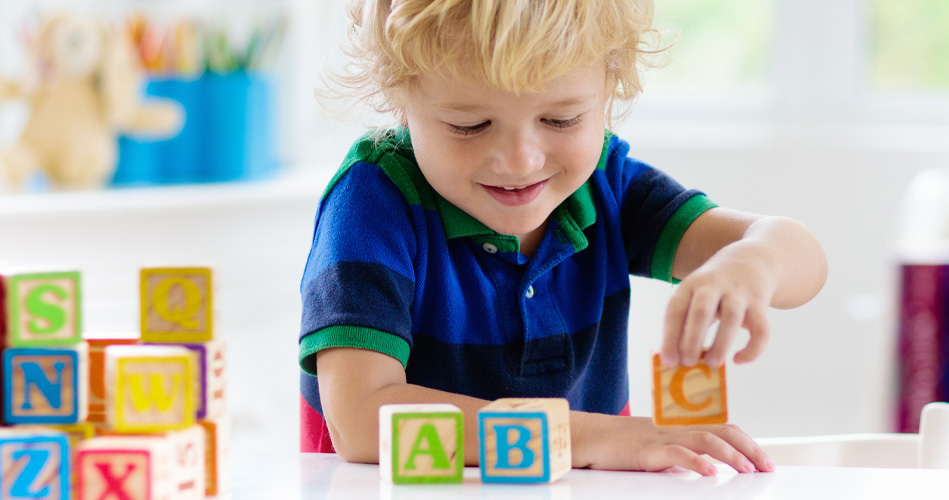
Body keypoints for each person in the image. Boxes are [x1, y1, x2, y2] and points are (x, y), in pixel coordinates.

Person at [298, 0, 827, 477]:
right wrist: (593, 436)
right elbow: (362, 421)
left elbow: (801, 257)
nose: (521, 160)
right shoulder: (374, 201)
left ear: (610, 90)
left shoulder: (607, 186)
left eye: (561, 118)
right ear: (398, 98)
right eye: (470, 124)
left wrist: (752, 264)